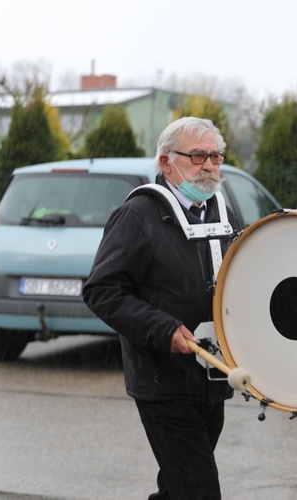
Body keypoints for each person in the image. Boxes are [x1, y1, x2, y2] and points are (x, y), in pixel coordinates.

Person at [83, 116, 243, 500]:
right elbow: (102, 290)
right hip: (163, 383)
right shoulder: (138, 216)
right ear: (166, 162)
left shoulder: (223, 213)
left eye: (216, 157)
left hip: (212, 379)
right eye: (198, 156)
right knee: (199, 490)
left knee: (177, 488)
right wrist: (163, 329)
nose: (209, 166)